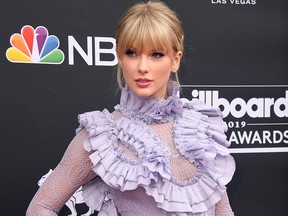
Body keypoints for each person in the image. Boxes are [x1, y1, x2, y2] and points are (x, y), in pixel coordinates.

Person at [26, 1, 236, 215]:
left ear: (175, 60)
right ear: (119, 57)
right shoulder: (102, 137)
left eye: (156, 54)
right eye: (132, 53)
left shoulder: (200, 125)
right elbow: (41, 207)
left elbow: (223, 210)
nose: (143, 67)